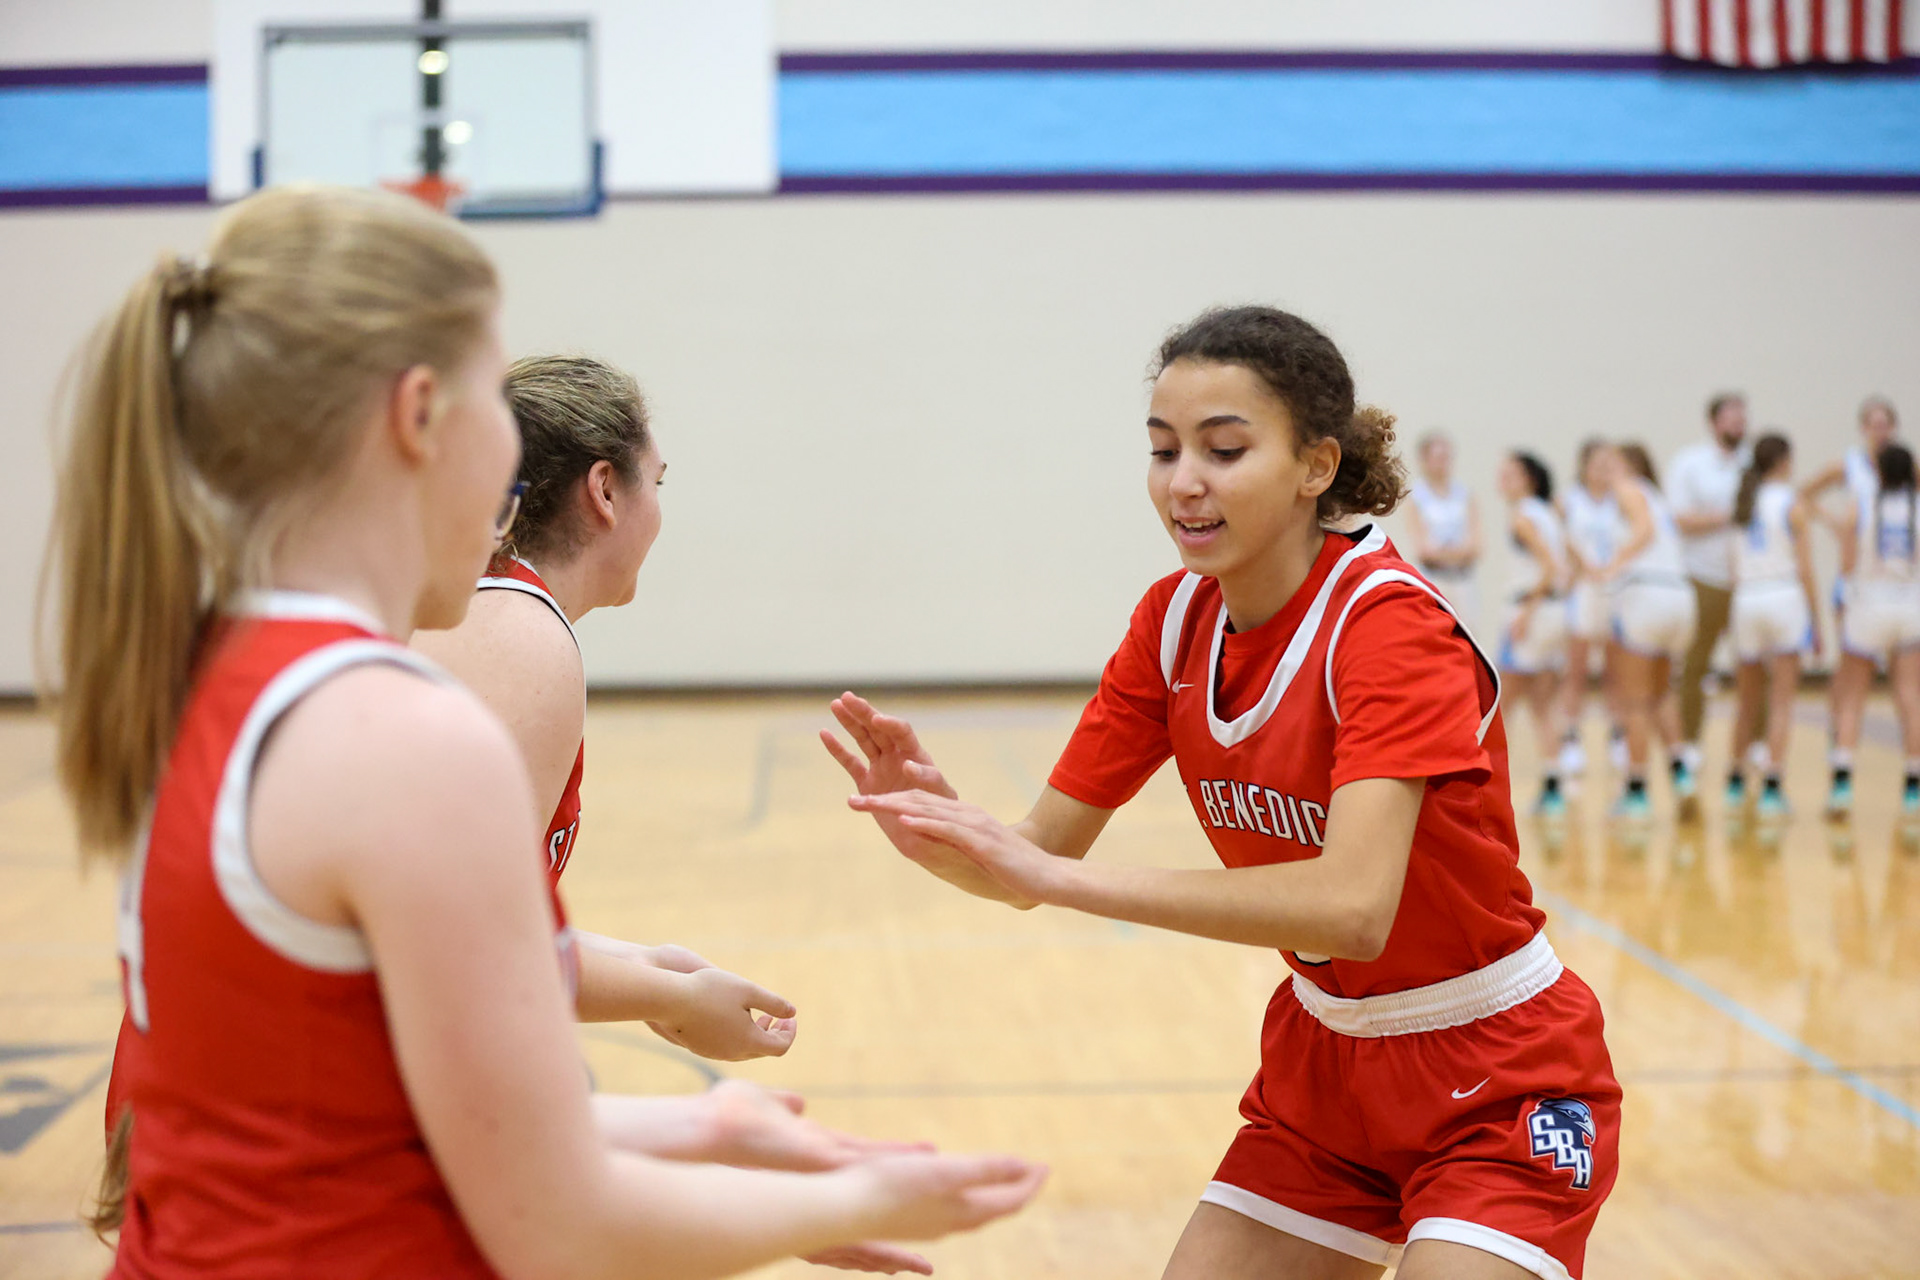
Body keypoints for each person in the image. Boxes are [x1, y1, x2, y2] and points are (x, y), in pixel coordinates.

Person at [53, 186, 1043, 1278]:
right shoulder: (413, 735)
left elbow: (362, 1110)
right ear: (420, 417)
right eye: (494, 402)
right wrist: (857, 1196)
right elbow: (558, 1222)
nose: (510, 464)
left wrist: (721, 1134)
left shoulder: (223, 667)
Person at [826, 306, 1619, 1280]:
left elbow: (1350, 906)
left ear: (1316, 466)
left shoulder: (1388, 631)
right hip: (1324, 1074)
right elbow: (1037, 854)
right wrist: (944, 826)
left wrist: (1050, 875)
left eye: (1224, 447)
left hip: (1499, 1076)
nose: (1183, 480)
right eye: (1163, 450)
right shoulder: (1173, 624)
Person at [413, 355, 796, 1060]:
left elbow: (466, 915)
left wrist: (644, 965)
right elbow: (456, 943)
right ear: (604, 491)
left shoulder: (487, 611)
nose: (660, 507)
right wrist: (672, 1000)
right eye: (657, 482)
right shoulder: (522, 639)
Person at [1594, 443, 1697, 820]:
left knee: (1634, 700)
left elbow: (1644, 532)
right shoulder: (1657, 496)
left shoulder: (1628, 489)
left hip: (1645, 594)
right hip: (1680, 596)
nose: (1605, 471)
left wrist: (1612, 566)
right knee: (1660, 693)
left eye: (1612, 463)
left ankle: (1636, 792)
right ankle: (1681, 770)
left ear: (1628, 465)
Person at [1725, 434, 1821, 818]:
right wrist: (1816, 620)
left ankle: (1734, 781)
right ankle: (1771, 787)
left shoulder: (1742, 504)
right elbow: (1806, 568)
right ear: (1783, 461)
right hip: (1784, 598)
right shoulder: (1791, 502)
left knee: (1747, 700)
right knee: (1781, 701)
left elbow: (1732, 571)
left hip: (1747, 600)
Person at [1825, 444, 1920, 819]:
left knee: (1852, 697)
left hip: (1867, 607)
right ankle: (1913, 787)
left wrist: (1840, 602)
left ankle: (1842, 784)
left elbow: (1846, 563)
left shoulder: (1860, 505)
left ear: (1877, 471)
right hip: (1910, 608)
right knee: (1910, 697)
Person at [1666, 393, 1752, 783]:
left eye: (1742, 417)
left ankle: (1755, 748)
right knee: (1695, 664)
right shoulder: (1690, 464)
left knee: (1754, 664)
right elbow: (1680, 519)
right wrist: (1728, 516)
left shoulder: (1754, 465)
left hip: (1750, 579)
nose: (1738, 424)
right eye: (1731, 417)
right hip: (1702, 576)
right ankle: (1690, 744)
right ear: (1714, 421)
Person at [1496, 452, 1570, 817]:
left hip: (1531, 612)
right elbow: (1569, 567)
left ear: (1528, 478)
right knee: (1544, 708)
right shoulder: (1551, 514)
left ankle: (1485, 795)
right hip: (1556, 614)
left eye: (1509, 472)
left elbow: (1551, 568)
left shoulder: (1525, 516)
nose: (1501, 478)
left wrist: (1526, 611)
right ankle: (1555, 789)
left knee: (1497, 708)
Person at [1558, 439, 1619, 786]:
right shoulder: (1569, 501)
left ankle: (1618, 735)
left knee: (1615, 670)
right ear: (1584, 466)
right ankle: (1571, 738)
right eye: (1597, 463)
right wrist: (1587, 566)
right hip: (1583, 589)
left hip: (1614, 589)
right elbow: (1563, 540)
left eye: (1608, 463)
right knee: (1577, 669)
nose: (1603, 469)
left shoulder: (1620, 501)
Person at [1404, 430, 1482, 633]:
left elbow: (1475, 546)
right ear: (1424, 459)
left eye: (1447, 457)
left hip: (1462, 579)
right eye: (1438, 457)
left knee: (1467, 637)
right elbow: (1424, 550)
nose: (1443, 462)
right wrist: (1455, 552)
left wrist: (1445, 552)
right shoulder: (1417, 497)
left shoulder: (1464, 494)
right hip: (1433, 579)